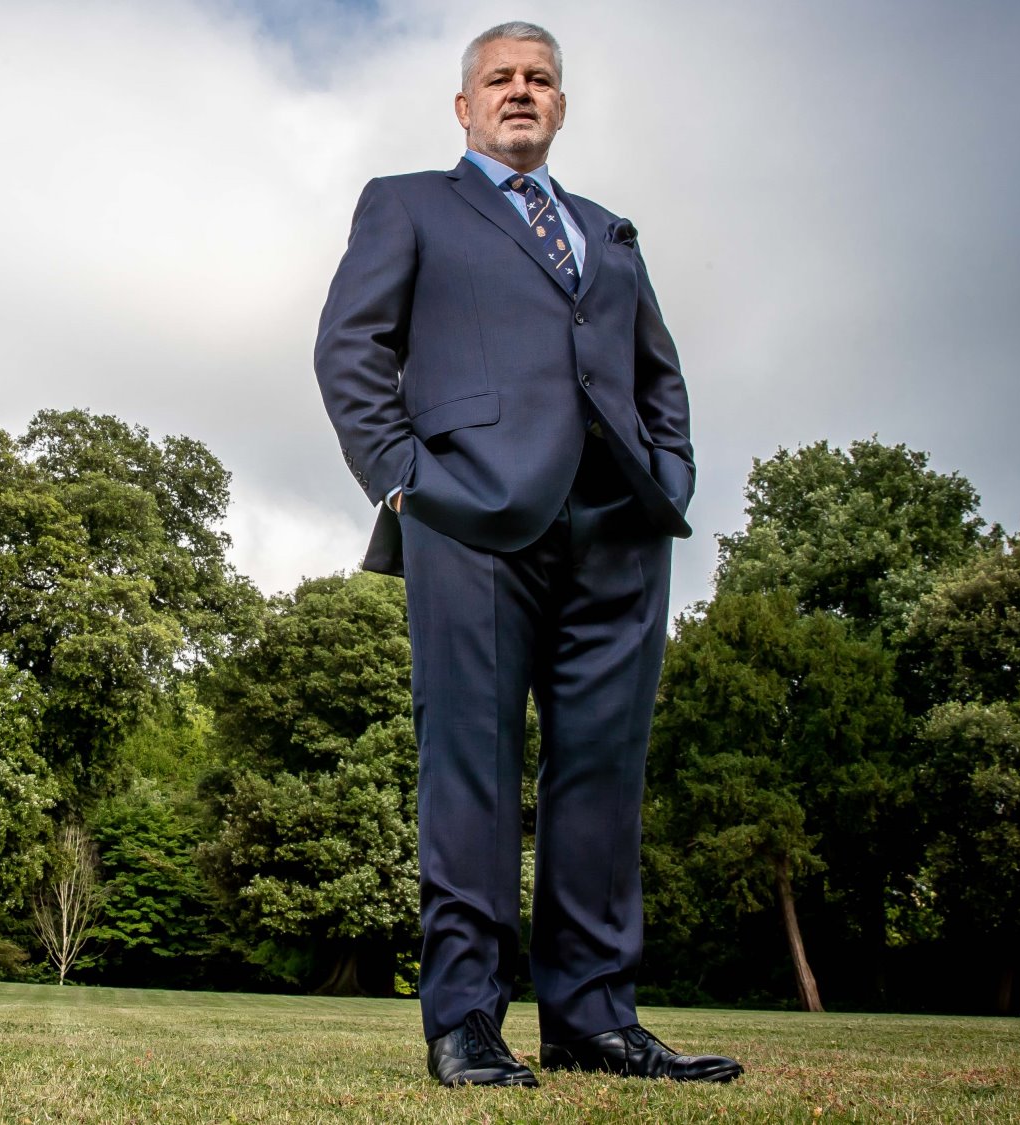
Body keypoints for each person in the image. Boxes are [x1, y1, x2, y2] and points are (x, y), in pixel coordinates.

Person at [313, 21, 741, 1088]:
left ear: (559, 105)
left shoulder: (607, 230)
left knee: (601, 775)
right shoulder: (407, 204)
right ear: (464, 107)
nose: (520, 90)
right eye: (499, 78)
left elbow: (658, 375)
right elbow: (349, 345)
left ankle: (594, 1021)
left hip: (620, 527)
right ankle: (465, 1021)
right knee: (471, 769)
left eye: (539, 79)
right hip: (469, 517)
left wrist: (669, 478)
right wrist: (402, 478)